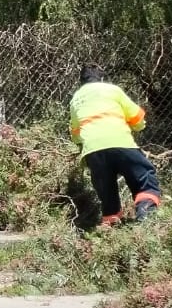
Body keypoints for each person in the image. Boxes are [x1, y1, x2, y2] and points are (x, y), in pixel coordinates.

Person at [69, 64, 162, 226]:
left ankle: (110, 224)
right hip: (121, 143)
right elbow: (138, 118)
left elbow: (75, 134)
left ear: (81, 81)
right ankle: (146, 214)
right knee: (143, 176)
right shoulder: (112, 90)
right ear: (102, 78)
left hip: (92, 151)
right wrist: (137, 127)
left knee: (106, 191)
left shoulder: (75, 99)